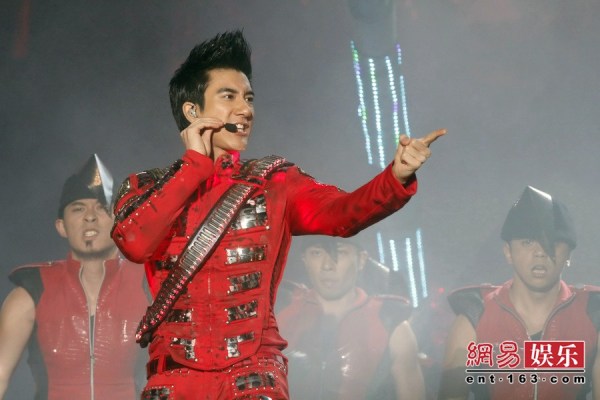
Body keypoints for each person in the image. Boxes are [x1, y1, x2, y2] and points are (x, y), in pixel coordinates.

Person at [111, 30, 445, 400]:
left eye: (249, 98)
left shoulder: (275, 182)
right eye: (229, 96)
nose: (246, 110)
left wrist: (396, 176)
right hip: (174, 378)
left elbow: (343, 213)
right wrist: (194, 165)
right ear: (192, 110)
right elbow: (135, 243)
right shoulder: (145, 187)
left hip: (253, 374)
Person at [0, 154, 150, 400]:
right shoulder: (31, 292)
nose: (90, 216)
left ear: (120, 221)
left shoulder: (149, 285)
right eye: (78, 208)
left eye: (102, 207)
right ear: (61, 226)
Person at [438, 186, 600, 400]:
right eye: (528, 242)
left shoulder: (593, 314)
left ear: (569, 254)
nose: (540, 252)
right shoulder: (474, 317)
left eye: (552, 242)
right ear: (508, 252)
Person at [276, 236, 425, 400]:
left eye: (340, 252)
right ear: (304, 259)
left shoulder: (389, 322)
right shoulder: (278, 313)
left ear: (361, 260)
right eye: (317, 253)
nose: (327, 266)